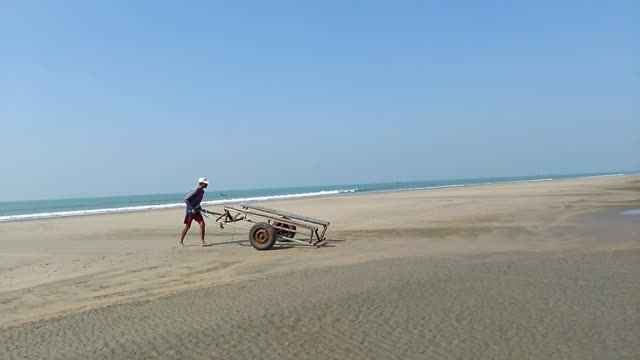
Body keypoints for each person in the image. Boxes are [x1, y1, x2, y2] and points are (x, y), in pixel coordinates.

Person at [180, 177, 210, 247]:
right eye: (205, 184)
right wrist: (191, 208)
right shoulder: (195, 191)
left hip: (197, 210)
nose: (207, 185)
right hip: (190, 211)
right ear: (201, 184)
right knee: (188, 226)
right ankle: (181, 241)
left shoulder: (202, 192)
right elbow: (186, 200)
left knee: (202, 224)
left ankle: (202, 242)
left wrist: (200, 208)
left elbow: (197, 201)